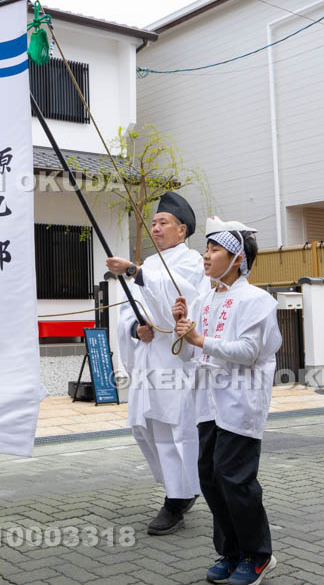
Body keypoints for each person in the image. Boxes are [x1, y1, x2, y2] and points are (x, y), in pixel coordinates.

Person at [172, 216, 280, 585]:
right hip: (207, 403)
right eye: (206, 248)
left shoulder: (257, 300)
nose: (206, 256)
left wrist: (199, 339)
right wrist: (183, 329)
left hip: (240, 401)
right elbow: (191, 356)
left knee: (235, 479)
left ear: (237, 259)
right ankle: (231, 552)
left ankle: (258, 555)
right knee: (210, 478)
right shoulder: (203, 300)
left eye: (214, 249)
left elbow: (249, 352)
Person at [104, 192, 211, 535]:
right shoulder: (150, 264)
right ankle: (180, 488)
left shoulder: (192, 262)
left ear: (182, 230)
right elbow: (128, 310)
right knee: (148, 427)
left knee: (176, 429)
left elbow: (182, 298)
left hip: (176, 361)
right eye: (153, 223)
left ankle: (176, 500)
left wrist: (135, 272)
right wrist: (135, 329)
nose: (156, 228)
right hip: (149, 358)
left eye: (163, 222)